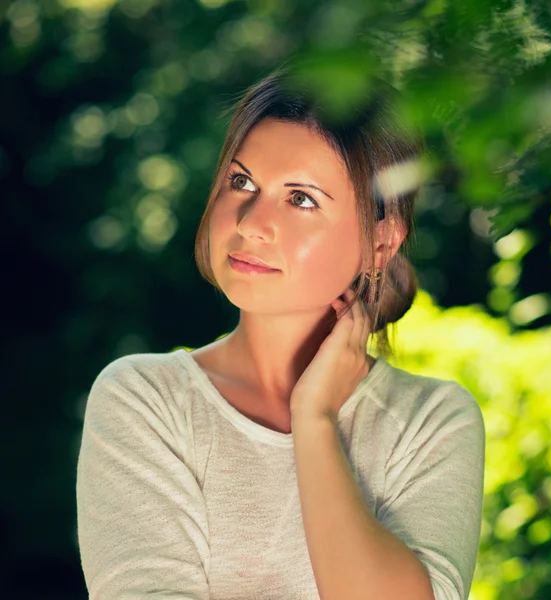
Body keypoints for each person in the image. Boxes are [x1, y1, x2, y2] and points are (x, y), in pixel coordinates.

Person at [76, 61, 485, 600]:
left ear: (381, 241)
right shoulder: (145, 401)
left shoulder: (431, 423)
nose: (249, 223)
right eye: (241, 182)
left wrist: (313, 419)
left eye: (301, 199)